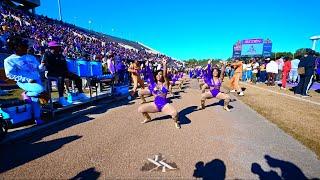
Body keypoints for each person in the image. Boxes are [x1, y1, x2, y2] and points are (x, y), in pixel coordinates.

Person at [4, 35, 45, 125]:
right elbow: (10, 75)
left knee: (36, 98)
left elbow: (38, 68)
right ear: (16, 48)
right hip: (25, 82)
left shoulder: (31, 57)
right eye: (23, 46)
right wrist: (27, 79)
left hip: (36, 79)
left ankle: (37, 118)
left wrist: (42, 65)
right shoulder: (9, 60)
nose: (26, 48)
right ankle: (26, 93)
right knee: (41, 91)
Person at [137, 58, 180, 129]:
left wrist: (164, 64)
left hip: (164, 105)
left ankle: (176, 122)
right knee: (140, 109)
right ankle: (148, 118)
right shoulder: (153, 84)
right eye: (157, 75)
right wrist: (147, 66)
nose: (158, 76)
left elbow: (165, 75)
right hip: (155, 105)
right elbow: (150, 75)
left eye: (160, 74)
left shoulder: (165, 84)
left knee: (175, 114)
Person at [42, 41, 88, 106]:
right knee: (60, 79)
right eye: (57, 47)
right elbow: (47, 66)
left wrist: (67, 72)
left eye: (58, 47)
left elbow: (64, 65)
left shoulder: (60, 55)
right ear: (52, 48)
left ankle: (80, 93)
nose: (59, 48)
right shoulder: (47, 54)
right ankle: (61, 98)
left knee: (77, 77)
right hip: (52, 73)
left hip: (63, 72)